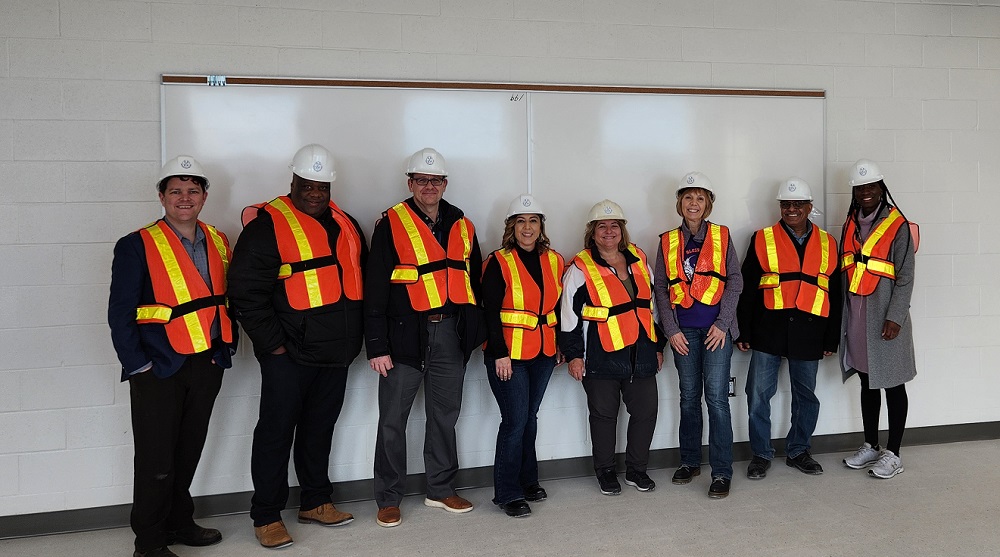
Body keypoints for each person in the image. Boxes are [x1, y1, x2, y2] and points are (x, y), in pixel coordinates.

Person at [228, 144, 367, 549]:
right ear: (293, 182)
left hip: (336, 353)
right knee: (275, 434)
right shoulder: (267, 226)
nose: (314, 192)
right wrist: (273, 348)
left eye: (320, 185)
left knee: (319, 430)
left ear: (329, 185)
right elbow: (245, 293)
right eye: (306, 184)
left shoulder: (346, 224)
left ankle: (316, 501)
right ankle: (266, 515)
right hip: (287, 355)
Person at [109, 156, 237, 557]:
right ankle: (149, 542)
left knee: (188, 450)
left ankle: (180, 522)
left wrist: (224, 350)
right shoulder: (136, 244)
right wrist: (139, 368)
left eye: (193, 191)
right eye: (176, 191)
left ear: (204, 196)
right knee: (155, 459)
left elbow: (223, 299)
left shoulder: (218, 239)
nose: (185, 198)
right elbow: (120, 314)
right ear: (161, 196)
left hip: (207, 362)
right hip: (159, 368)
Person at [365, 147, 486, 528]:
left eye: (435, 180)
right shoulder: (391, 222)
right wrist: (377, 345)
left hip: (450, 333)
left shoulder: (462, 223)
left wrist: (474, 336)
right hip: (403, 337)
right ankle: (388, 497)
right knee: (392, 421)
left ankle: (440, 488)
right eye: (421, 180)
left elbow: (475, 283)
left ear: (445, 184)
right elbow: (375, 287)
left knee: (444, 417)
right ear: (410, 183)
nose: (429, 186)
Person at [736, 178, 841, 480]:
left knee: (806, 396)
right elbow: (747, 289)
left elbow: (835, 293)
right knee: (758, 396)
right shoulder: (761, 238)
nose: (791, 209)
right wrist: (743, 331)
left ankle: (799, 451)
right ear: (780, 206)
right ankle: (760, 454)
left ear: (810, 207)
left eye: (798, 205)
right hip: (768, 329)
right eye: (786, 204)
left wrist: (832, 336)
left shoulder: (827, 243)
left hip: (810, 331)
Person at [559, 199, 665, 496]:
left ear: (622, 231)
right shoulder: (581, 267)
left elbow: (653, 307)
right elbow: (568, 315)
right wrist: (574, 356)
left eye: (614, 226)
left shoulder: (639, 258)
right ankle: (605, 472)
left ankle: (637, 470)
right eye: (602, 226)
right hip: (600, 355)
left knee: (646, 412)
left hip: (641, 353)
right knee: (604, 417)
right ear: (592, 232)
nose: (609, 231)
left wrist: (658, 347)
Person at [653, 172, 742, 499]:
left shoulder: (721, 236)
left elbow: (735, 280)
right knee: (689, 398)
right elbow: (660, 289)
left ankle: (721, 472)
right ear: (680, 203)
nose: (693, 203)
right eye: (688, 197)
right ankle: (689, 461)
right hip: (683, 332)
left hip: (716, 330)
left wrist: (723, 323)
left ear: (708, 205)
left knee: (717, 400)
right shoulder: (667, 241)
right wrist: (671, 330)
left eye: (700, 198)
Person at [482, 194, 565, 518]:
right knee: (515, 422)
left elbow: (557, 307)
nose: (527, 227)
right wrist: (499, 353)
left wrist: (558, 343)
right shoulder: (498, 261)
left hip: (544, 352)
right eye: (521, 221)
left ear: (541, 225)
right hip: (509, 356)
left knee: (529, 419)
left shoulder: (555, 260)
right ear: (511, 227)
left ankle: (528, 481)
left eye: (533, 221)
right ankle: (507, 493)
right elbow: (489, 312)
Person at [839, 159, 917, 479]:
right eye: (860, 187)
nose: (866, 192)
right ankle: (871, 444)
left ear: (881, 188)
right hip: (858, 318)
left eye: (871, 186)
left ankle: (893, 453)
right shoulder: (850, 222)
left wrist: (895, 316)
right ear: (855, 192)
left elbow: (906, 276)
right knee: (866, 382)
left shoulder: (896, 224)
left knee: (893, 384)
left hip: (886, 317)